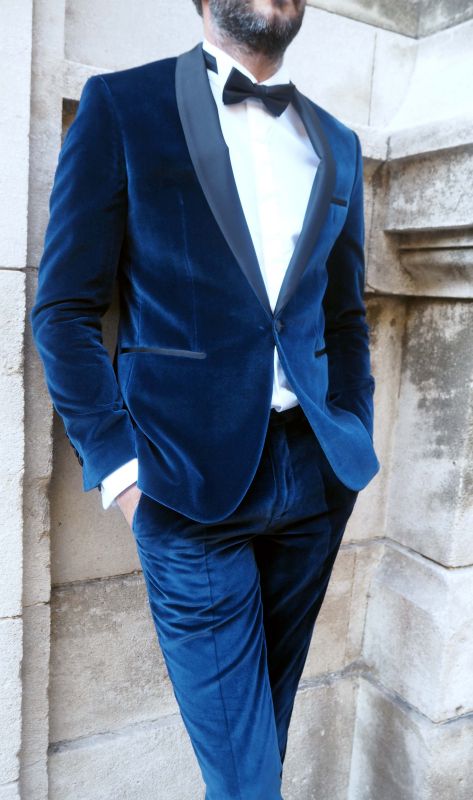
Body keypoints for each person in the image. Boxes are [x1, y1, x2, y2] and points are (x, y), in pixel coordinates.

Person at [30, 0, 381, 796]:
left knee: (263, 737)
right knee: (245, 778)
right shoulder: (123, 105)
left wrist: (352, 428)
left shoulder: (336, 141)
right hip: (183, 490)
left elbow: (345, 315)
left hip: (314, 479)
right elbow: (64, 311)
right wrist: (124, 474)